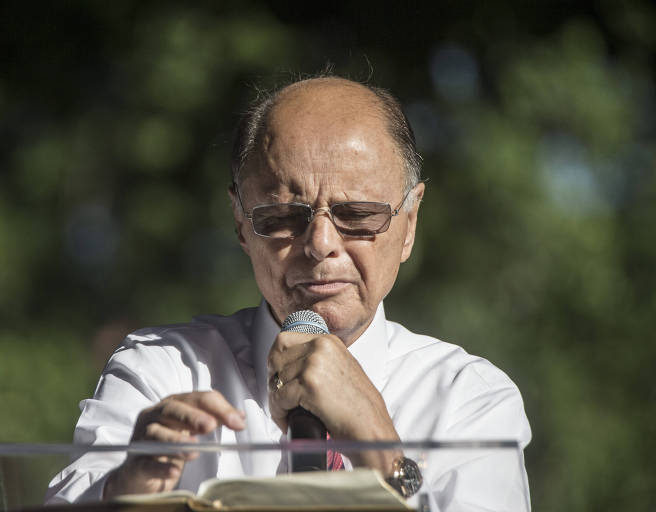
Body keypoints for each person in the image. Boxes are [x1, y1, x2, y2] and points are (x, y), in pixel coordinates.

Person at [46, 76, 532, 511]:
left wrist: (380, 452)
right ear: (241, 224)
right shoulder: (165, 370)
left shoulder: (470, 399)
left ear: (409, 224)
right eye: (281, 218)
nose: (321, 245)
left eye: (358, 216)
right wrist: (124, 493)